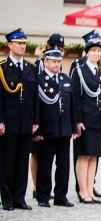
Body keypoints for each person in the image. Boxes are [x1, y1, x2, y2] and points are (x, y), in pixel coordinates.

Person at [72, 30, 101, 204]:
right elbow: (75, 98)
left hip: (98, 119)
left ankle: (90, 190)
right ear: (87, 52)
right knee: (83, 155)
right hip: (85, 119)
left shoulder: (99, 71)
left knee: (94, 156)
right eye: (93, 50)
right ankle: (83, 191)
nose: (96, 53)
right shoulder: (79, 71)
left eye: (99, 51)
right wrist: (77, 121)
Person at [0, 28, 38, 211]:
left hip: (26, 122)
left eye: (24, 43)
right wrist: (0, 120)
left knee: (23, 161)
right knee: (7, 161)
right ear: (10, 45)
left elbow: (35, 98)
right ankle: (7, 199)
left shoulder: (31, 68)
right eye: (19, 43)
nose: (22, 46)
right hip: (9, 122)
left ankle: (19, 198)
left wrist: (36, 120)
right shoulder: (2, 68)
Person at [34, 50, 77, 208]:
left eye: (58, 61)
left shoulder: (66, 79)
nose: (57, 64)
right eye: (53, 61)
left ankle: (61, 196)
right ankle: (43, 196)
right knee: (45, 165)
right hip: (47, 130)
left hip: (64, 129)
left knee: (63, 166)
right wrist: (37, 130)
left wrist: (73, 127)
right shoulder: (39, 80)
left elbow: (72, 106)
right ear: (46, 62)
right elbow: (36, 107)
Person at [31, 33, 65, 198]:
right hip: (44, 123)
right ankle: (38, 189)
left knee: (59, 162)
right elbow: (36, 101)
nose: (58, 49)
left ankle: (55, 193)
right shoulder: (38, 68)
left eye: (61, 47)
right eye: (54, 46)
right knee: (40, 158)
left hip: (59, 124)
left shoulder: (61, 72)